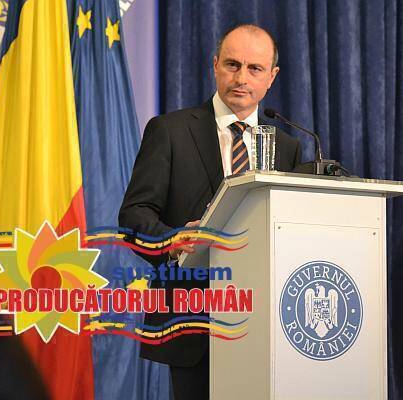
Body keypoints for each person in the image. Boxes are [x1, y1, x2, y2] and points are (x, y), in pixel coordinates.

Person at [119, 23, 301, 400]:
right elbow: (134, 216)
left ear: (272, 77)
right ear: (215, 65)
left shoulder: (287, 146)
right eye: (232, 65)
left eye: (254, 68)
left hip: (268, 322)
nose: (241, 78)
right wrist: (172, 240)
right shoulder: (170, 130)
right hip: (193, 318)